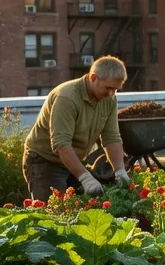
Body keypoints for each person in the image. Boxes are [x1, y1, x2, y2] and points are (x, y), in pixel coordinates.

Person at [22, 56, 131, 201]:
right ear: (93, 78)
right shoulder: (67, 97)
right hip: (45, 161)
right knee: (51, 215)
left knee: (86, 208)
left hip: (73, 160)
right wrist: (85, 178)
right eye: (108, 88)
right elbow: (61, 144)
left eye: (116, 90)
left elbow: (111, 138)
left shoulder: (109, 99)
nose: (112, 93)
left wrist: (120, 171)